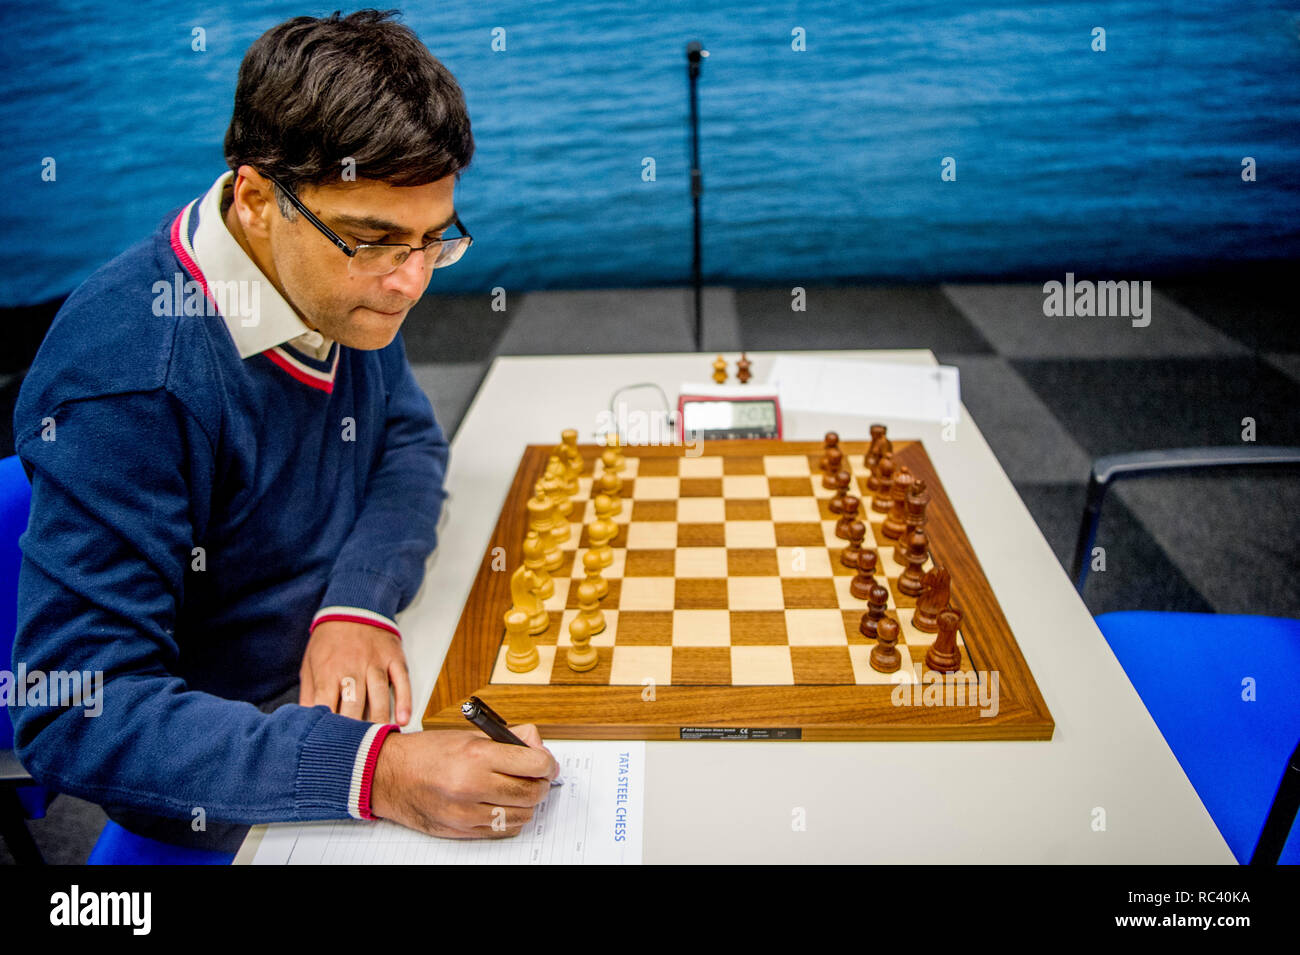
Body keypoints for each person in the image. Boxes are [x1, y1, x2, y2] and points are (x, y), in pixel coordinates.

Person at [10, 9, 556, 853]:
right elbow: (76, 711)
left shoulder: (339, 276)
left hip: (374, 677)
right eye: (377, 240)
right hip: (240, 784)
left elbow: (407, 443)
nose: (412, 281)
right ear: (260, 199)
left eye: (431, 241)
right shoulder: (127, 377)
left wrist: (356, 599)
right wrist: (376, 772)